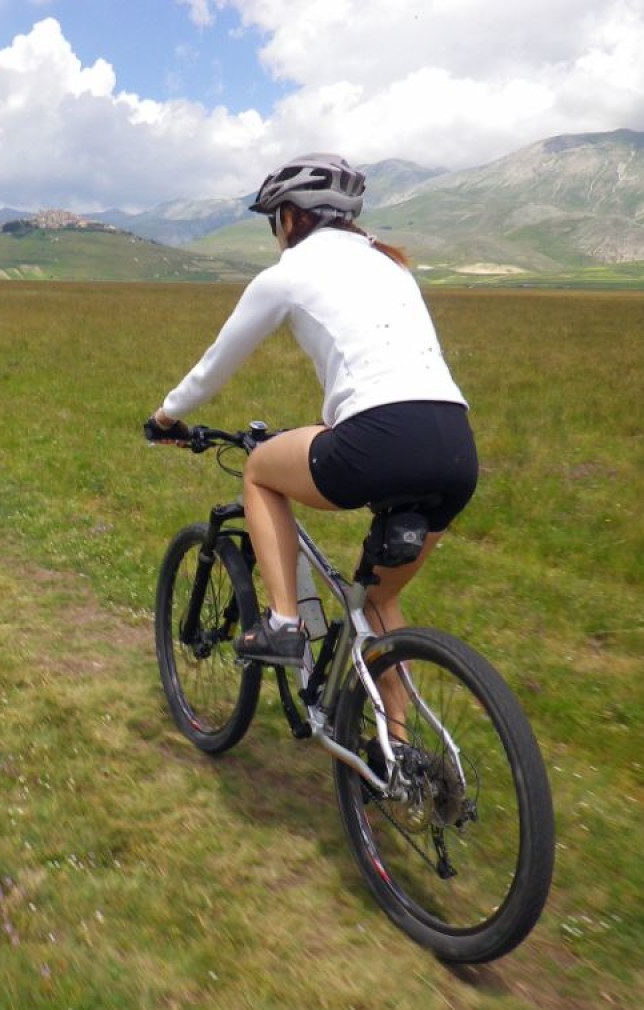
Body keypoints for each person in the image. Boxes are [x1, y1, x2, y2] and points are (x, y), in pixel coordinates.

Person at [146, 153, 478, 736]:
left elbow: (214, 367)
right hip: (454, 446)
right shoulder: (391, 266)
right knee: (377, 602)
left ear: (294, 217)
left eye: (274, 218)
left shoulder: (289, 273)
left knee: (258, 470)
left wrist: (167, 415)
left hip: (377, 438)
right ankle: (398, 753)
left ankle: (282, 622)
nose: (275, 231)